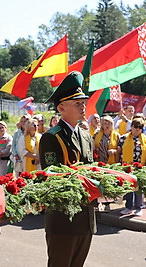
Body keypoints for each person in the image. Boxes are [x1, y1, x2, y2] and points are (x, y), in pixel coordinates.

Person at [39, 71, 95, 267]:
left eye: (83, 102)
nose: (83, 106)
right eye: (77, 103)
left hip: (86, 219)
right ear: (62, 108)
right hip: (64, 220)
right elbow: (54, 179)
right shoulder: (52, 137)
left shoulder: (86, 136)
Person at [116, 118, 146, 216]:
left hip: (140, 167)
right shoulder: (123, 138)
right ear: (131, 127)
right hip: (126, 166)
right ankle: (128, 207)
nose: (137, 129)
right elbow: (118, 152)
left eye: (140, 127)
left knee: (138, 188)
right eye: (135, 127)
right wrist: (117, 165)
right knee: (128, 188)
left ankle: (138, 207)